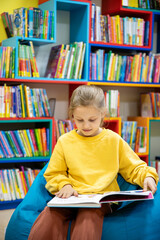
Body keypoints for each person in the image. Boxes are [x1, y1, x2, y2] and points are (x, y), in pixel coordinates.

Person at [28, 85, 159, 240]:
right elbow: (53, 173)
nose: (86, 126)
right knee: (49, 215)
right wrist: (64, 185)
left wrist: (148, 176)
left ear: (102, 114)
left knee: (88, 217)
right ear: (72, 116)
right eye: (79, 120)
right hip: (72, 198)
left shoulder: (113, 140)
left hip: (100, 200)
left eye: (92, 120)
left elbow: (134, 167)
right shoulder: (65, 141)